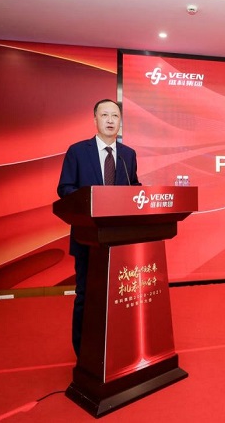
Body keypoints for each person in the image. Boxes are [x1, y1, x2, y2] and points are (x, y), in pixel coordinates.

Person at [57, 99, 141, 357]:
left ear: (120, 121)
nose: (110, 120)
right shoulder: (77, 151)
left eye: (115, 116)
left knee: (119, 296)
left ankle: (117, 347)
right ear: (95, 120)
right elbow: (65, 188)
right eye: (104, 115)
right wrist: (92, 200)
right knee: (87, 295)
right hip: (88, 239)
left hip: (120, 239)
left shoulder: (128, 155)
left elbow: (133, 187)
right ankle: (84, 353)